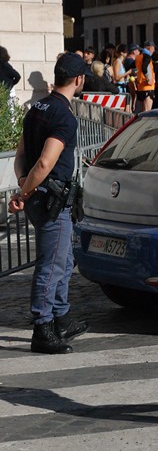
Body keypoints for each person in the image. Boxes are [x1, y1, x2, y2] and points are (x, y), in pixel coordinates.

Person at [8, 52, 90, 354]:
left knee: (64, 260)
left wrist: (21, 186)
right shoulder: (64, 116)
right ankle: (43, 328)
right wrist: (25, 193)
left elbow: (21, 156)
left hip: (39, 198)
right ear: (79, 80)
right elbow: (43, 163)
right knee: (52, 265)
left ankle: (61, 317)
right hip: (51, 201)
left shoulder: (37, 108)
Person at [135, 39, 156, 111]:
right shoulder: (147, 56)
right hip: (147, 87)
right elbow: (144, 68)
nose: (154, 50)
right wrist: (148, 79)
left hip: (140, 86)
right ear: (150, 48)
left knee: (142, 112)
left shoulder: (138, 57)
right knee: (147, 111)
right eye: (154, 48)